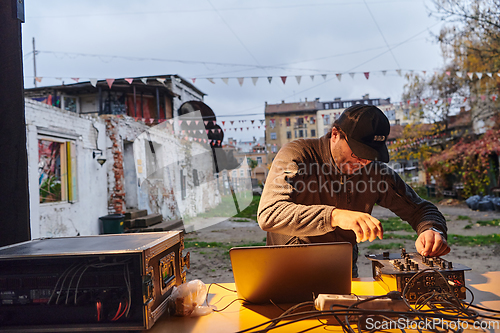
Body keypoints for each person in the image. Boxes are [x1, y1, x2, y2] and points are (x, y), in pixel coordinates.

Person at [257, 104, 450, 277]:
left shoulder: (375, 173)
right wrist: (334, 216)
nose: (363, 162)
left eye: (371, 156)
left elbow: (422, 210)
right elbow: (269, 213)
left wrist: (431, 230)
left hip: (343, 273)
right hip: (288, 272)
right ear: (335, 134)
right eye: (358, 153)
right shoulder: (298, 154)